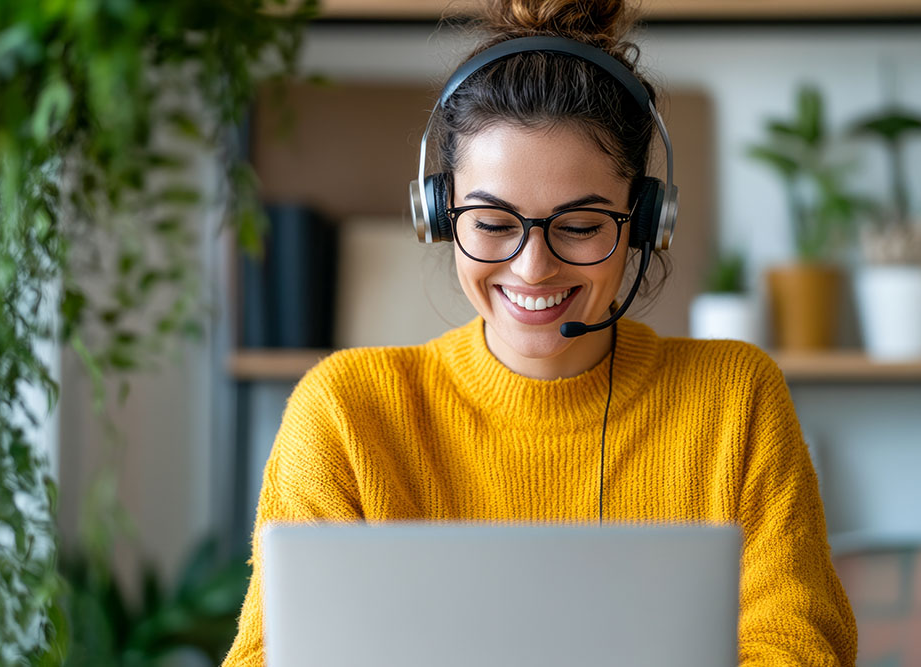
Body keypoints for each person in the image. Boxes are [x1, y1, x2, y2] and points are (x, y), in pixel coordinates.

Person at [222, 1, 858, 664]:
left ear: (644, 222)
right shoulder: (346, 414)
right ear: (439, 214)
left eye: (580, 226)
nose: (533, 266)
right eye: (494, 223)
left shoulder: (735, 400)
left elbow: (796, 644)